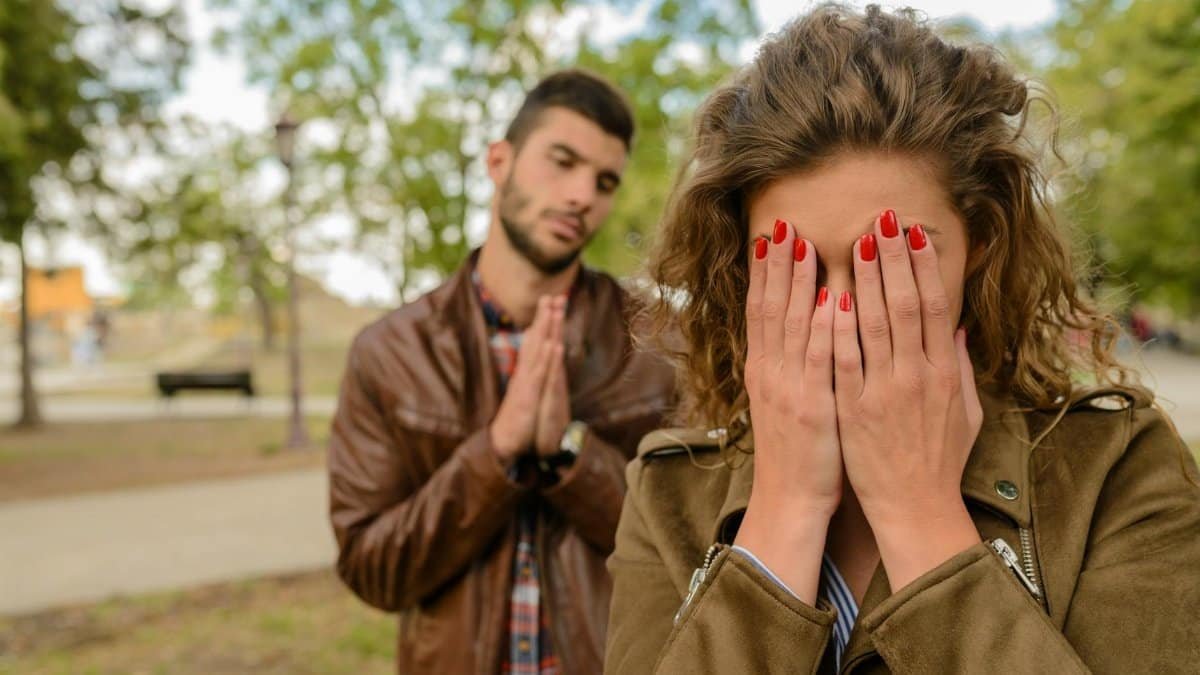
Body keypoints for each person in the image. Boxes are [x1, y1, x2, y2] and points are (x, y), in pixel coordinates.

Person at [605, 5, 1200, 673]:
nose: (840, 316)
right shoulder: (668, 495)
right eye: (793, 267)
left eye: (886, 263)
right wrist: (783, 513)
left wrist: (921, 519)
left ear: (980, 249)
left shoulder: (1114, 470)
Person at [329, 69, 676, 673]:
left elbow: (691, 554)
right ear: (499, 161)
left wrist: (570, 449)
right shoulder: (389, 352)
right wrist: (495, 452)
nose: (580, 196)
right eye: (561, 162)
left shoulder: (658, 341)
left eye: (604, 181)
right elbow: (373, 571)